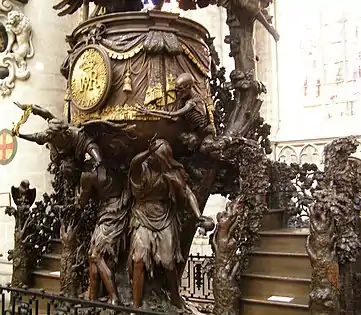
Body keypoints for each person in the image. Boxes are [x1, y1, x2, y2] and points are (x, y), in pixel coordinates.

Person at [128, 137, 214, 308]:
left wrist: (198, 215)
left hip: (164, 217)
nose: (153, 159)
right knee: (138, 259)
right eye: (152, 156)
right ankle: (136, 306)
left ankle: (175, 296)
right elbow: (133, 163)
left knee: (168, 262)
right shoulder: (142, 170)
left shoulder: (171, 174)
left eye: (157, 156)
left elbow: (187, 192)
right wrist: (147, 151)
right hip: (142, 216)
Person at [76, 161, 130, 305]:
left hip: (110, 215)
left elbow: (82, 201)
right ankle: (92, 297)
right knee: (91, 255)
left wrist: (78, 193)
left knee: (96, 255)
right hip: (117, 211)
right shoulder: (118, 166)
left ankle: (114, 297)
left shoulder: (88, 174)